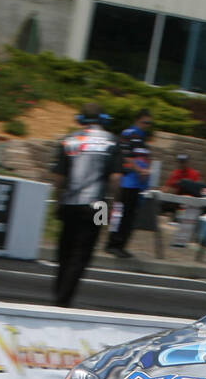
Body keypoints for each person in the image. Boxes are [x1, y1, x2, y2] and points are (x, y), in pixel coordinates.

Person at [52, 103, 122, 308]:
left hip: (69, 202)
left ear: (81, 119)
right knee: (83, 252)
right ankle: (64, 299)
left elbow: (58, 178)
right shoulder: (112, 141)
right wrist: (111, 205)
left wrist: (58, 201)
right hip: (98, 205)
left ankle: (58, 291)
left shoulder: (69, 140)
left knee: (65, 249)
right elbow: (116, 179)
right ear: (103, 119)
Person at [106, 109, 152, 258]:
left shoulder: (142, 138)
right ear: (137, 120)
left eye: (149, 123)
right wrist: (139, 170)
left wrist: (146, 171)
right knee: (119, 214)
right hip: (127, 181)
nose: (147, 125)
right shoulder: (129, 134)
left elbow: (144, 158)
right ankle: (112, 244)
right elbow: (126, 156)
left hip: (137, 183)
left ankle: (121, 244)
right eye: (145, 122)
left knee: (130, 216)